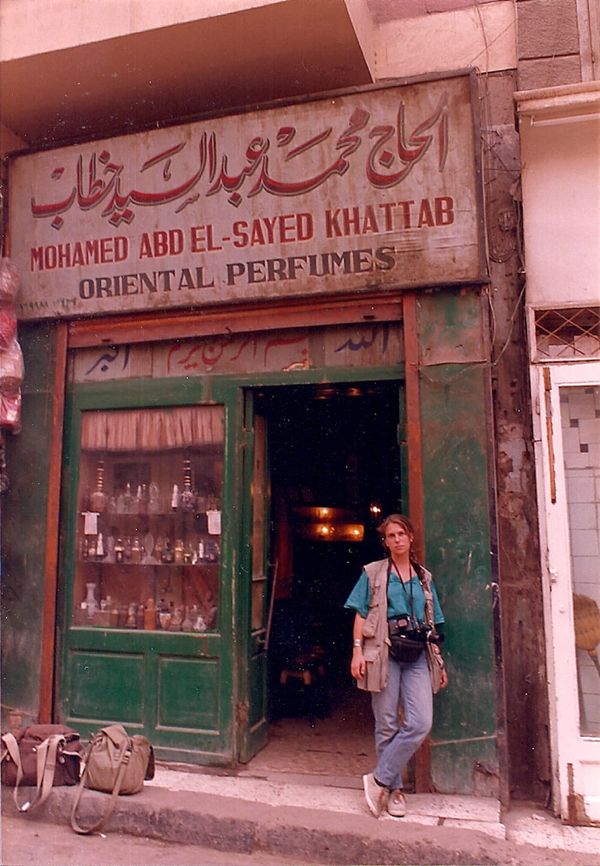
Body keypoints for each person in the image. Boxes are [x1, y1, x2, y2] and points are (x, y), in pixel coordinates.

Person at [344, 513, 448, 819]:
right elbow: (361, 613)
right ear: (386, 541)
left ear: (411, 537)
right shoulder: (374, 573)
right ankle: (395, 790)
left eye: (401, 533)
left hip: (417, 656)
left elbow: (433, 621)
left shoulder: (424, 578)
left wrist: (439, 663)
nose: (397, 539)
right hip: (385, 652)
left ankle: (378, 779)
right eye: (391, 536)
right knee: (387, 723)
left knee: (419, 723)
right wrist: (357, 651)